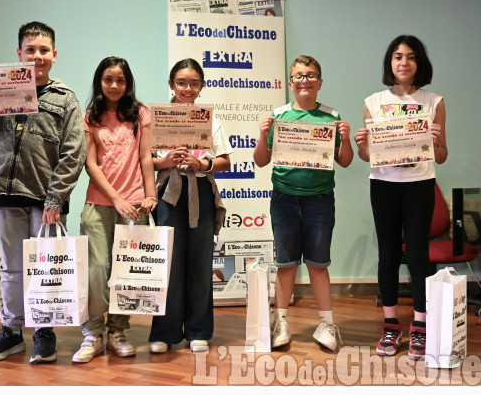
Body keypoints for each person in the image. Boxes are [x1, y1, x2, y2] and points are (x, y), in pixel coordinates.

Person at [0, 21, 86, 363]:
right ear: (19, 53)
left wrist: (55, 199)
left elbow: (74, 153)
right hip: (5, 193)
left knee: (46, 270)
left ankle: (44, 332)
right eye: (30, 49)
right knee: (12, 269)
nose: (37, 55)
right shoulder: (2, 90)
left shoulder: (66, 99)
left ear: (55, 55)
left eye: (44, 50)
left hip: (45, 201)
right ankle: (12, 332)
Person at [354, 35, 447, 360]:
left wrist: (436, 142)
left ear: (419, 62)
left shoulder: (434, 101)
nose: (403, 62)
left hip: (420, 184)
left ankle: (420, 325)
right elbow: (367, 156)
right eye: (397, 56)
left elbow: (443, 155)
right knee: (388, 255)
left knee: (419, 256)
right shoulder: (373, 101)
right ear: (389, 63)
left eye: (409, 57)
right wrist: (362, 143)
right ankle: (391, 325)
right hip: (384, 185)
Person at [253, 55, 353, 352]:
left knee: (318, 264)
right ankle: (280, 322)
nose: (305, 80)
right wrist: (262, 134)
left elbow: (344, 161)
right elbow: (260, 160)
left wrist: (345, 139)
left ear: (320, 82)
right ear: (290, 82)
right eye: (299, 75)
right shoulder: (278, 116)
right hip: (284, 198)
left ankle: (326, 323)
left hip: (320, 201)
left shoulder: (331, 117)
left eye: (311, 75)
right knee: (286, 263)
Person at [72, 57, 157, 363]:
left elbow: (146, 157)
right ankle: (92, 333)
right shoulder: (90, 117)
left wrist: (151, 194)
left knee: (128, 272)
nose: (114, 86)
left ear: (127, 82)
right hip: (98, 204)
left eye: (120, 80)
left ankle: (118, 331)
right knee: (97, 270)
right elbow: (90, 164)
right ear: (100, 81)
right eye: (108, 79)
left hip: (135, 205)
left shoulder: (140, 113)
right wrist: (116, 197)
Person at [148, 58, 233, 354]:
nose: (187, 88)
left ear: (202, 86)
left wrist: (202, 163)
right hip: (168, 193)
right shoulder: (155, 117)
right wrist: (164, 161)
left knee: (199, 263)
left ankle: (198, 330)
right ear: (171, 84)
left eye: (194, 83)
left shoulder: (210, 118)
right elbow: (146, 161)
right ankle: (165, 332)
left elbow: (225, 161)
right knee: (168, 265)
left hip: (201, 191)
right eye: (181, 82)